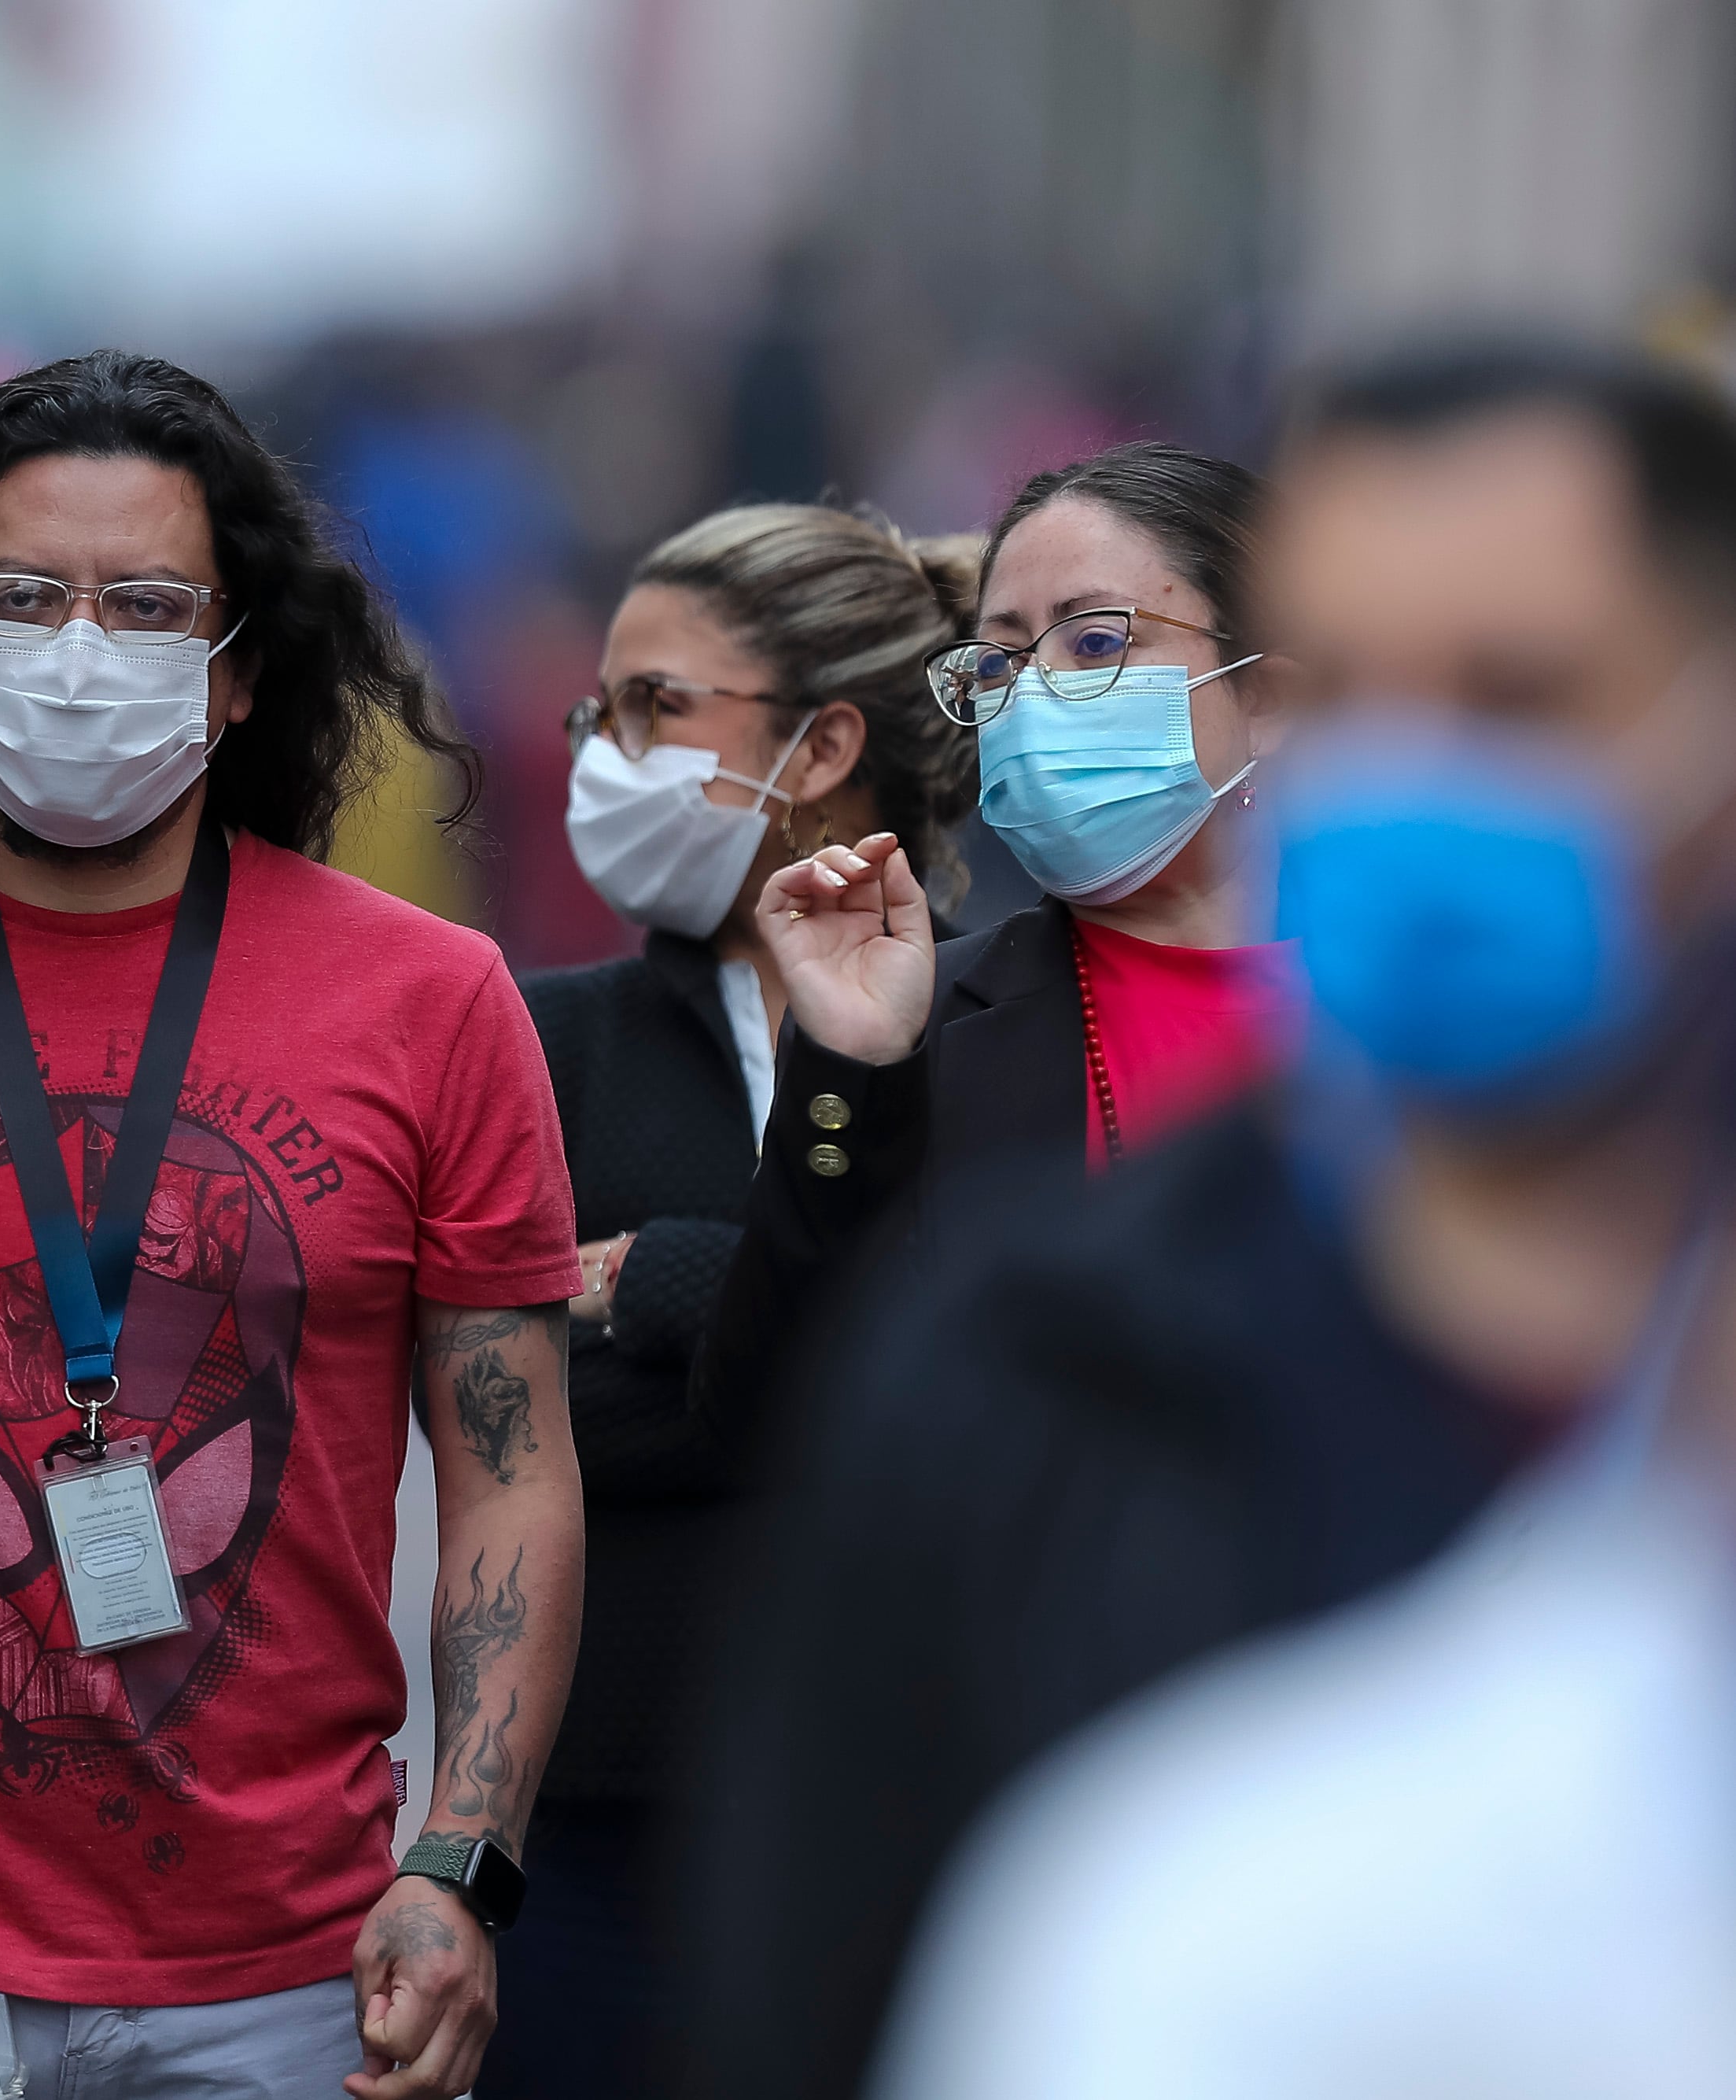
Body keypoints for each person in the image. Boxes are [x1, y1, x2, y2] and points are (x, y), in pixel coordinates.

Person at [669, 344, 1736, 2099]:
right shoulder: (1042, 1344)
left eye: (1522, 692)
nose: (1415, 765)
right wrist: (846, 1084)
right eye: (1366, 692)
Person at [0, 349, 588, 2100]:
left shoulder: (434, 1000)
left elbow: (505, 1459)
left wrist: (461, 1858)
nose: (74, 645)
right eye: (19, 594)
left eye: (143, 604)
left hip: (276, 1973)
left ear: (234, 676)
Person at [496, 505, 977, 2100]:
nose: (601, 750)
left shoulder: (1002, 1014)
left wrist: (668, 1274)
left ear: (824, 739)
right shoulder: (541, 1036)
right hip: (604, 1836)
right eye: (593, 712)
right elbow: (540, 1425)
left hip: (932, 1809)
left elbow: (963, 1374)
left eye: (652, 705)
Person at [695, 442, 1305, 1423]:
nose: (1026, 698)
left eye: (1095, 643)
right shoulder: (917, 1021)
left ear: (1265, 695)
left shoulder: (1418, 1004)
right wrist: (851, 1070)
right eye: (995, 661)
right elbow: (766, 1415)